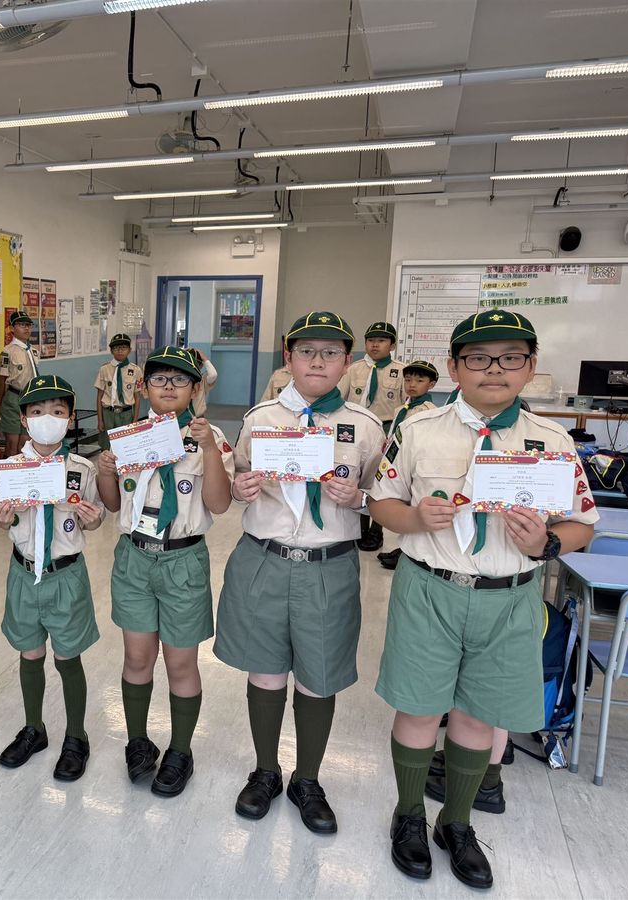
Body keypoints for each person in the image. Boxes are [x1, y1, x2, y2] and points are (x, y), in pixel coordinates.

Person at [369, 309, 597, 889]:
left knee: (478, 715)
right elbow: (380, 502)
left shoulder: (553, 441)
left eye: (510, 357)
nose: (494, 369)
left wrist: (546, 543)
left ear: (530, 367)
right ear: (454, 367)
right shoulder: (419, 428)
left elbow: (582, 525)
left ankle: (458, 821)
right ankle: (409, 814)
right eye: (477, 358)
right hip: (430, 589)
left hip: (508, 597)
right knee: (419, 708)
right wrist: (414, 518)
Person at [215, 312, 384, 835]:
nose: (317, 361)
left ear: (347, 362)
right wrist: (241, 487)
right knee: (265, 670)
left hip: (327, 567)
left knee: (318, 676)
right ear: (288, 358)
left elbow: (383, 495)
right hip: (264, 559)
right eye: (306, 351)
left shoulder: (367, 426)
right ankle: (266, 770)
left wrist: (359, 498)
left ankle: (307, 779)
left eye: (330, 352)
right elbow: (240, 474)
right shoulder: (261, 418)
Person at [95, 346, 234, 797]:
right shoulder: (129, 438)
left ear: (196, 388)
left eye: (180, 379)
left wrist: (208, 449)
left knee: (180, 662)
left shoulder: (211, 437)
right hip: (135, 558)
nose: (169, 386)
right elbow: (113, 504)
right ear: (144, 387)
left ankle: (180, 749)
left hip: (183, 560)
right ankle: (137, 741)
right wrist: (105, 472)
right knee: (137, 658)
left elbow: (219, 504)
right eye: (159, 379)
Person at [0, 375, 104, 781]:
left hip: (65, 575)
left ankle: (76, 736)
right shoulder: (12, 469)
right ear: (24, 420)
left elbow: (93, 518)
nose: (47, 419)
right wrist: (2, 518)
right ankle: (34, 729)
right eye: (38, 412)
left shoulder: (82, 469)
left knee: (67, 656)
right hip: (23, 574)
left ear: (70, 419)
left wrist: (93, 519)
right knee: (30, 652)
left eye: (58, 412)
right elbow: (3, 518)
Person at [343, 321, 406, 551]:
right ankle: (359, 528)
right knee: (357, 477)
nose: (375, 345)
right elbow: (341, 397)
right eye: (371, 340)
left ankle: (376, 530)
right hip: (356, 430)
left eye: (381, 341)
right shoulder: (354, 369)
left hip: (386, 430)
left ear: (392, 345)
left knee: (381, 481)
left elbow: (405, 406)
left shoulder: (402, 371)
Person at [377, 360, 439, 571]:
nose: (412, 384)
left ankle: (408, 551)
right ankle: (401, 547)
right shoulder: (400, 409)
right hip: (396, 463)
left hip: (415, 465)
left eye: (419, 381)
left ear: (431, 384)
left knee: (414, 505)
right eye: (408, 380)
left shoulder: (430, 412)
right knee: (400, 504)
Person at [0, 311, 40, 457]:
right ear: (12, 328)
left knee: (25, 442)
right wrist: (1, 402)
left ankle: (23, 469)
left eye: (28, 325)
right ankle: (7, 470)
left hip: (30, 398)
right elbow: (2, 378)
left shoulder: (33, 351)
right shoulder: (8, 351)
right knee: (12, 443)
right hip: (13, 398)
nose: (26, 328)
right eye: (21, 325)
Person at [94, 334, 142, 451]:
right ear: (111, 351)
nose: (120, 351)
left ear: (129, 350)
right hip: (108, 414)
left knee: (126, 447)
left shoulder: (136, 370)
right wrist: (100, 420)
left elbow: (137, 397)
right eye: (116, 348)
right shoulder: (104, 369)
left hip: (126, 414)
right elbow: (99, 396)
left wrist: (135, 421)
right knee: (106, 447)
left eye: (123, 348)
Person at [188, 348, 217, 417]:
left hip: (198, 417)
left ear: (201, 366)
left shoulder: (203, 380)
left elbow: (213, 375)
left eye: (196, 365)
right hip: (182, 418)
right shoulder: (180, 378)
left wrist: (204, 359)